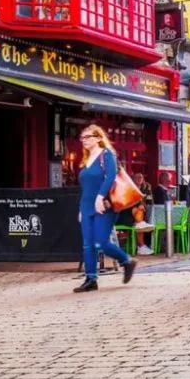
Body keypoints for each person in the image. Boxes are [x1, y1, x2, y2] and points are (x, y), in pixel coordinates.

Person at [73, 124, 136, 293]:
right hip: (87, 206)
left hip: (104, 204)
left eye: (88, 137)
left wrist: (100, 197)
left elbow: (110, 177)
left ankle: (126, 260)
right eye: (82, 137)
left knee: (101, 242)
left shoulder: (107, 155)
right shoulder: (85, 159)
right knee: (87, 245)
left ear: (99, 138)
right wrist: (81, 209)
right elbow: (85, 188)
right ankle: (91, 279)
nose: (84, 140)